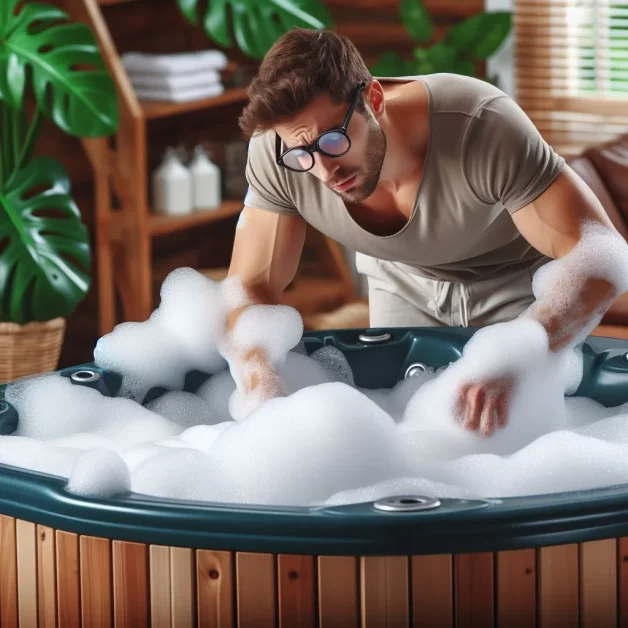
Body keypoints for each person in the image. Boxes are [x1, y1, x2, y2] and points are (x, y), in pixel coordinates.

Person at [222, 27, 623, 435]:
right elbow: (251, 286)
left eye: (332, 139)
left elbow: (600, 252)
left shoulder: (480, 125)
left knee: (507, 435)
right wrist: (260, 383)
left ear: (373, 100)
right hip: (403, 284)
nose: (324, 170)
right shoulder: (280, 154)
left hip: (516, 290)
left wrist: (520, 354)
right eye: (303, 152)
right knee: (408, 435)